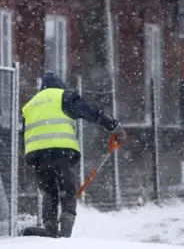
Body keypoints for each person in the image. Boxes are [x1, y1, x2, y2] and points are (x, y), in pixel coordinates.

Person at [21, 71, 127, 238]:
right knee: (67, 189)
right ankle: (65, 230)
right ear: (59, 85)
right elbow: (90, 112)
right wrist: (113, 126)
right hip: (61, 151)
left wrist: (30, 158)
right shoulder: (63, 96)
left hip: (38, 155)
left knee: (49, 192)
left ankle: (49, 228)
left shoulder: (30, 105)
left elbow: (24, 135)